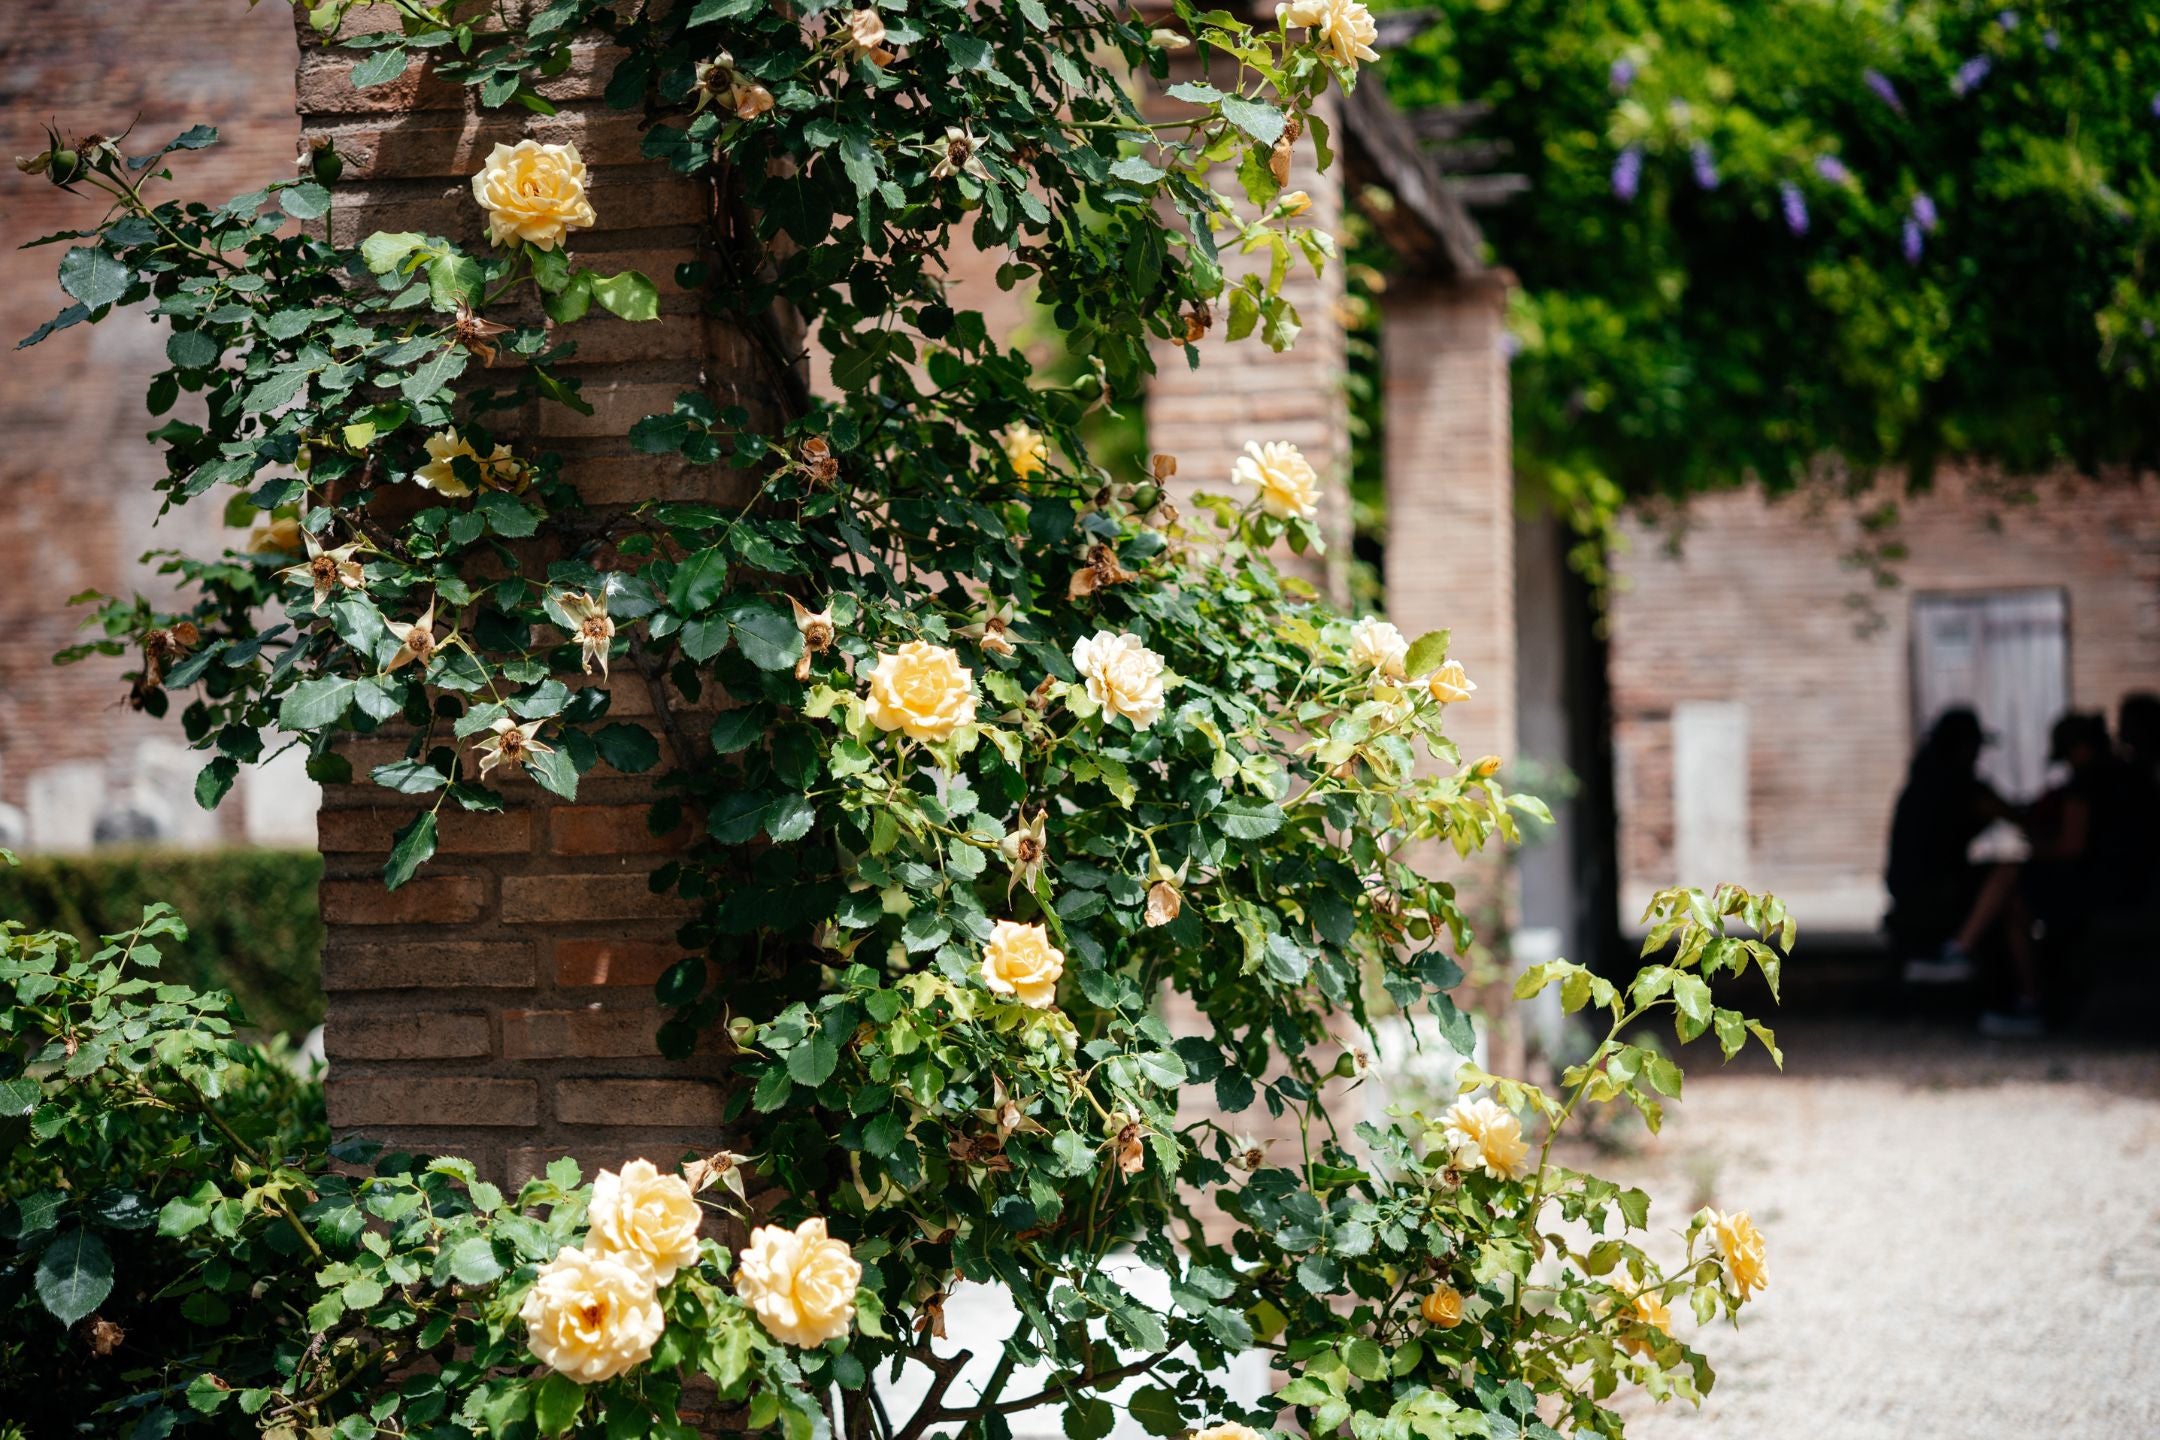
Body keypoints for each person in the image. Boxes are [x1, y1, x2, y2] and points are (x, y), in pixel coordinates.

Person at [1883, 707, 2025, 987]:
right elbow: (2013, 815)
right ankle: (1959, 950)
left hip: (1913, 884)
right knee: (2008, 875)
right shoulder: (1958, 786)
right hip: (1933, 888)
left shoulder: (1925, 782)